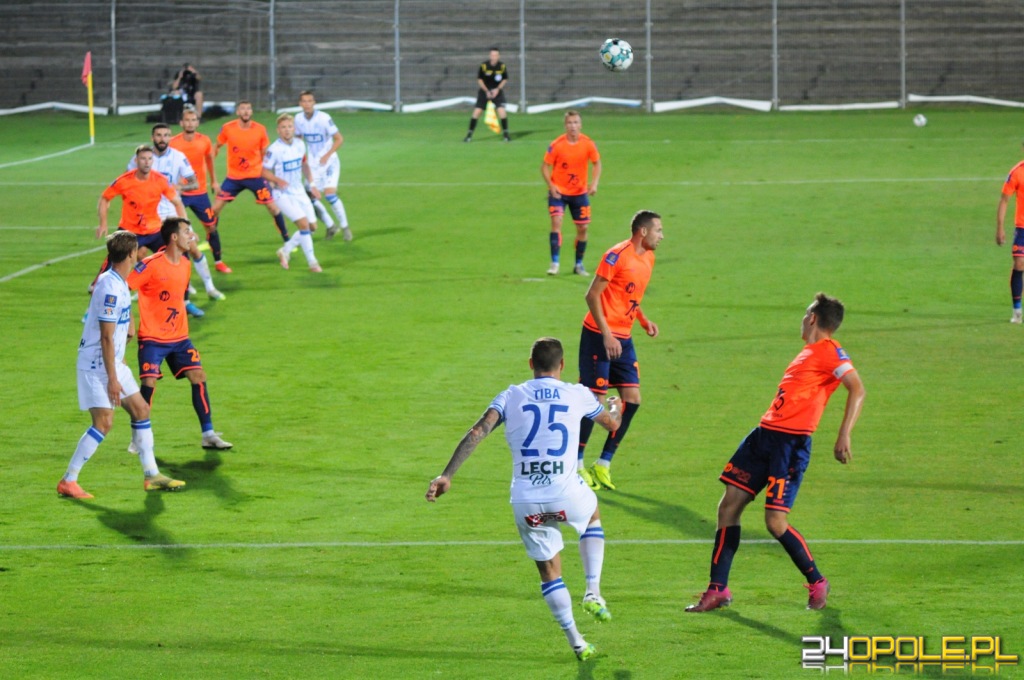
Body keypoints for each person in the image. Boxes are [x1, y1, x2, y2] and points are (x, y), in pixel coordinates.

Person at [426, 337, 622, 661]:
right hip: (566, 495)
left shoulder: (511, 395)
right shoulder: (577, 393)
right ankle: (592, 591)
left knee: (549, 571)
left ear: (531, 364)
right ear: (562, 365)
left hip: (527, 501)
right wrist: (615, 405)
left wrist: (447, 475)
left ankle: (578, 643)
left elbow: (477, 432)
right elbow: (611, 424)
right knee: (591, 518)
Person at [685, 293, 866, 613]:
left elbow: (857, 388)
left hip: (790, 445)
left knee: (775, 522)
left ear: (813, 318)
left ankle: (817, 581)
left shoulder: (830, 351)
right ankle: (717, 589)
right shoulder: (808, 352)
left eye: (805, 314)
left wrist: (844, 434)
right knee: (728, 506)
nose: (802, 319)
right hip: (764, 436)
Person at [57, 231, 185, 499]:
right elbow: (105, 336)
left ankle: (152, 475)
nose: (140, 253)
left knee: (141, 409)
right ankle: (69, 480)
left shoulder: (118, 281)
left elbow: (117, 326)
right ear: (131, 254)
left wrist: (127, 337)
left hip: (113, 361)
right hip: (97, 366)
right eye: (138, 250)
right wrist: (113, 379)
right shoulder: (110, 289)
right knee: (103, 422)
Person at [576, 210, 663, 492]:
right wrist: (606, 334)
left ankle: (603, 463)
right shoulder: (616, 255)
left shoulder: (648, 258)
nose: (662, 236)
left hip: (623, 337)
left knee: (632, 400)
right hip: (598, 335)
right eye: (658, 230)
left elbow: (630, 295)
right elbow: (592, 295)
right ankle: (576, 464)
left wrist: (643, 320)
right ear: (643, 231)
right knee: (595, 400)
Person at [128, 217, 233, 451]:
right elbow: (124, 288)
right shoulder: (151, 265)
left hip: (179, 337)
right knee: (149, 382)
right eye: (187, 232)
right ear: (174, 237)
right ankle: (138, 436)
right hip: (153, 337)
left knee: (199, 376)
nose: (192, 236)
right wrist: (129, 321)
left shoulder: (185, 264)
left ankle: (208, 434)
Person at [128, 123, 225, 312]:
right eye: (158, 135)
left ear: (170, 138)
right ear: (152, 138)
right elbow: (128, 179)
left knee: (191, 249)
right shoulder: (142, 159)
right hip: (149, 214)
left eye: (166, 135)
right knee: (141, 253)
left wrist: (179, 187)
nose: (162, 139)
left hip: (172, 210)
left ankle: (209, 287)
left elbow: (194, 182)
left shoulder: (178, 157)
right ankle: (145, 288)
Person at [212, 101, 290, 245]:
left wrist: (270, 177)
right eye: (242, 109)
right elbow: (217, 146)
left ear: (251, 112)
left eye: (248, 108)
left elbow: (265, 155)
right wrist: (210, 161)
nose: (246, 111)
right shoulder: (228, 128)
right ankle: (211, 239)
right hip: (234, 178)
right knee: (215, 209)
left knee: (273, 208)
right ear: (238, 112)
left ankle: (287, 239)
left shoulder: (260, 129)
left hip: (256, 176)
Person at [170, 104, 231, 274]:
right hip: (180, 194)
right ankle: (181, 266)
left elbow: (210, 160)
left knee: (211, 227)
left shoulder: (204, 141)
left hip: (200, 193)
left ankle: (218, 261)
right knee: (178, 230)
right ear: (181, 123)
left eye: (193, 120)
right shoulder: (173, 143)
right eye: (187, 120)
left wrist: (214, 182)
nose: (190, 123)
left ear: (197, 123)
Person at [541, 110, 601, 276]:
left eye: (575, 122)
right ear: (565, 125)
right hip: (559, 193)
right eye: (569, 123)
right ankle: (554, 263)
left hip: (580, 193)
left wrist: (594, 183)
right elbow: (544, 166)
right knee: (556, 222)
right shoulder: (557, 145)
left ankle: (579, 264)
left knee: (583, 228)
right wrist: (551, 185)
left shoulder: (588, 143)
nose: (573, 126)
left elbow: (597, 163)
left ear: (580, 125)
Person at [264, 114, 323, 273]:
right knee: (303, 224)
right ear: (278, 130)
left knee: (312, 227)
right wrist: (276, 179)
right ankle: (312, 262)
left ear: (294, 129)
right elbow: (264, 171)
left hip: (299, 191)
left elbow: (304, 164)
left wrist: (312, 185)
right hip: (282, 194)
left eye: (289, 127)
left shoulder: (300, 145)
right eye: (283, 127)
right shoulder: (274, 150)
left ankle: (285, 250)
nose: (287, 130)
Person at [294, 91, 353, 241]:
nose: (307, 104)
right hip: (313, 165)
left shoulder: (324, 118)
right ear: (300, 104)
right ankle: (330, 225)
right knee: (308, 197)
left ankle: (345, 227)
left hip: (329, 162)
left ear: (314, 103)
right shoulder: (298, 119)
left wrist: (327, 155)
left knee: (330, 195)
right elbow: (298, 139)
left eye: (310, 101)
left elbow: (339, 139)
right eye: (304, 101)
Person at [996, 146, 1024, 323]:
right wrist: (1000, 227)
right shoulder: (1017, 172)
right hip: (1022, 227)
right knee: (1019, 263)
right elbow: (1005, 200)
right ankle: (1017, 311)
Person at [463, 47, 511, 143]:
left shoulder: (502, 66)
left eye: (496, 55)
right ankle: (469, 135)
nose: (494, 57)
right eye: (492, 55)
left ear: (499, 56)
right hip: (484, 91)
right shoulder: (484, 66)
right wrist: (487, 91)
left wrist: (497, 89)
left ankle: (506, 135)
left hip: (497, 92)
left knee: (502, 111)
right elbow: (480, 80)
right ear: (490, 56)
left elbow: (504, 79)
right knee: (477, 112)